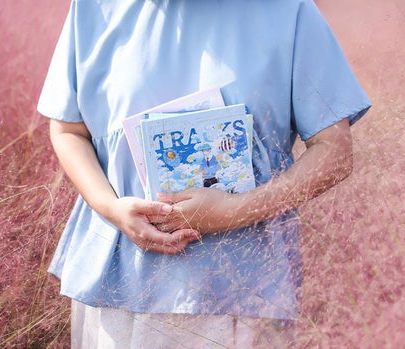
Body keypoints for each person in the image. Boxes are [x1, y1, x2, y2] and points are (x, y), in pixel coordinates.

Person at [38, 0, 371, 347]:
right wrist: (111, 208)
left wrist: (235, 211)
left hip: (240, 291)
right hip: (117, 288)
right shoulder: (93, 7)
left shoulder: (289, 10)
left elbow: (334, 150)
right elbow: (68, 130)